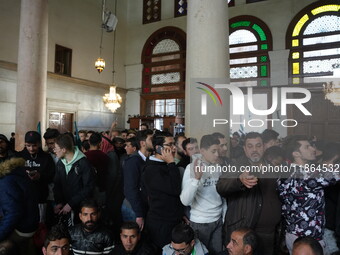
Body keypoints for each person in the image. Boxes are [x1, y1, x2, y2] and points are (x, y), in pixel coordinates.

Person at [217, 132, 281, 255]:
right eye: (250, 146)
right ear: (245, 149)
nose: (254, 150)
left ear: (264, 147)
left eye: (258, 145)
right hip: (244, 232)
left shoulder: (273, 168)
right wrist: (239, 180)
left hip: (269, 233)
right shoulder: (235, 166)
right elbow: (221, 186)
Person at [278, 135, 340, 254]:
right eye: (307, 147)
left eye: (311, 145)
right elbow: (335, 174)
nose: (313, 149)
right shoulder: (307, 175)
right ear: (296, 154)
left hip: (291, 234)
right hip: (308, 240)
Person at [180, 135, 226, 254]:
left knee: (217, 253)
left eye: (218, 151)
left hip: (217, 220)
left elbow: (221, 195)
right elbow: (185, 200)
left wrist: (223, 216)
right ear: (202, 151)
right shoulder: (191, 168)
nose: (217, 154)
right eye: (213, 151)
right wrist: (196, 178)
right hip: (200, 222)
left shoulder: (218, 167)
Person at [142, 132, 184, 250]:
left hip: (172, 219)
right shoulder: (151, 169)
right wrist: (171, 162)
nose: (173, 148)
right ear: (158, 148)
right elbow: (175, 189)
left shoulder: (163, 165)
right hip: (161, 222)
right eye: (169, 144)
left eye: (174, 144)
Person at [53, 134, 95, 225]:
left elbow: (88, 187)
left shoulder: (83, 163)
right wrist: (59, 202)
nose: (54, 151)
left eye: (56, 148)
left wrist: (71, 204)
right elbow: (57, 184)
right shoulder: (60, 163)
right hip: (65, 207)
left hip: (80, 207)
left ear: (64, 150)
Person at [0, 157, 39, 255]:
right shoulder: (18, 175)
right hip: (31, 223)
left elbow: (13, 213)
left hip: (23, 229)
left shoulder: (5, 182)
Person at [16, 131, 56, 223]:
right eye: (28, 145)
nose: (31, 149)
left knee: (40, 224)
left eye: (34, 145)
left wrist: (40, 176)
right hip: (23, 197)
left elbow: (52, 176)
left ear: (39, 144)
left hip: (41, 198)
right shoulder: (19, 156)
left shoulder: (47, 157)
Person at [122, 129, 153, 229]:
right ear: (143, 143)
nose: (155, 141)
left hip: (140, 206)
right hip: (133, 208)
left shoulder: (146, 159)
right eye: (151, 139)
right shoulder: (133, 161)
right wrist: (139, 214)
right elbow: (130, 189)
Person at [84, 132, 110, 206]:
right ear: (100, 143)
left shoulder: (84, 156)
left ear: (89, 142)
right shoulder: (105, 157)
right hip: (101, 187)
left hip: (88, 189)